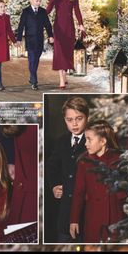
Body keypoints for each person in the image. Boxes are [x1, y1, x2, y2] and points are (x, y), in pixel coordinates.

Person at [70, 120, 127, 243]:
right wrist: (74, 220)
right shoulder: (84, 162)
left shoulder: (120, 160)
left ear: (103, 141)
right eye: (85, 139)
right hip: (93, 220)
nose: (86, 143)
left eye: (89, 139)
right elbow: (78, 192)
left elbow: (127, 192)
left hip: (116, 219)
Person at [46, 96, 89, 243]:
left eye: (79, 118)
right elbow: (51, 168)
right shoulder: (61, 142)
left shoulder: (93, 142)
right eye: (69, 120)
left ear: (87, 117)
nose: (74, 124)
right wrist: (54, 186)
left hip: (86, 211)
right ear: (65, 120)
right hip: (65, 213)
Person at [46, 0, 86, 89]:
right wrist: (39, 16)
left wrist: (81, 24)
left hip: (69, 27)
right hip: (58, 27)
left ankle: (64, 75)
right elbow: (48, 9)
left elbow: (77, 10)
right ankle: (62, 79)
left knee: (67, 52)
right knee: (59, 53)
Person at [17, 0, 54, 90]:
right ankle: (34, 81)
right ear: (31, 0)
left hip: (39, 40)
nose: (38, 3)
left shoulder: (42, 11)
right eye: (37, 1)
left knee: (36, 60)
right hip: (30, 40)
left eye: (39, 1)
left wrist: (51, 36)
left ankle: (32, 76)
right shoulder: (26, 12)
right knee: (32, 60)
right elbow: (21, 26)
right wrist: (19, 39)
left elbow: (47, 25)